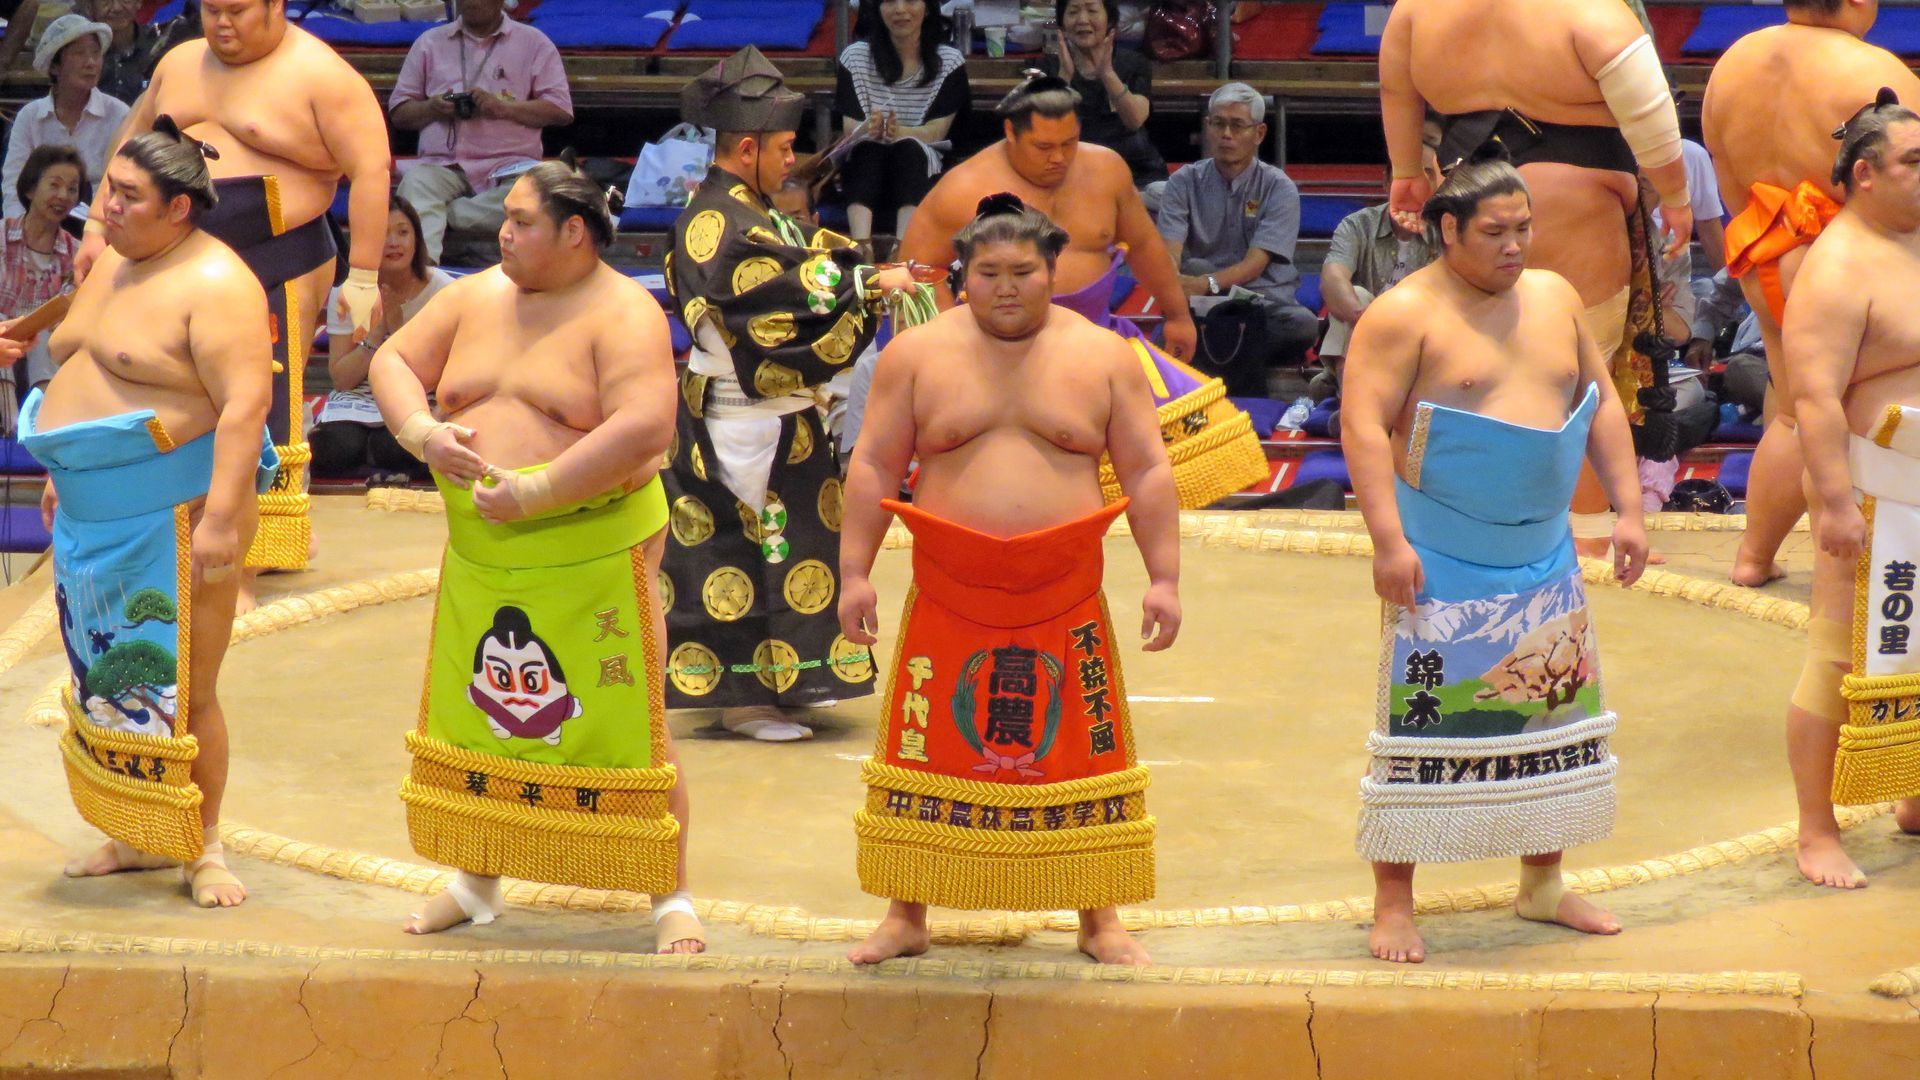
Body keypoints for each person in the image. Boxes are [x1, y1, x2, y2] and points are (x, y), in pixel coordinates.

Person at [367, 161, 703, 951]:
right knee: (485, 715)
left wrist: (539, 489)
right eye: (505, 220)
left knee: (631, 720)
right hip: (485, 546)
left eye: (521, 222)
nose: (502, 233)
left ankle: (670, 895)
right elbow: (390, 362)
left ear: (574, 232)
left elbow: (647, 426)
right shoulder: (474, 295)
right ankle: (476, 882)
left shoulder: (623, 312)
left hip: (594, 544)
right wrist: (421, 433)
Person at [839, 195, 1179, 966]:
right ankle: (906, 913)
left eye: (1023, 272)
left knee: (1085, 751)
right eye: (987, 272)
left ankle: (1100, 918)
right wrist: (854, 572)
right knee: (925, 748)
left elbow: (1148, 471)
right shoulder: (917, 354)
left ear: (1053, 273)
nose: (1004, 287)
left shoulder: (1104, 356)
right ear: (962, 275)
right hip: (950, 587)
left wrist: (1165, 579)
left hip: (1065, 589)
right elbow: (873, 466)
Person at [1341, 149, 1647, 964]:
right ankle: (1395, 902)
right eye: (1495, 232)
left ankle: (1543, 883)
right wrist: (1387, 540)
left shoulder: (1553, 296)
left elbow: (1601, 399)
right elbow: (1363, 427)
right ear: (1447, 230)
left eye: (1524, 228)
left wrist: (1629, 507)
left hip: (1543, 552)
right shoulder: (1404, 314)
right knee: (1422, 724)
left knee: (1548, 713)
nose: (1516, 246)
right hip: (1442, 554)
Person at [24, 122, 277, 910]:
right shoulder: (115, 263)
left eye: (128, 197)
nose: (107, 208)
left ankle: (205, 848)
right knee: (106, 676)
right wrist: (68, 470)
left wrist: (225, 520)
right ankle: (139, 834)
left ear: (178, 210)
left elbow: (246, 407)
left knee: (184, 685)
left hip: (173, 511)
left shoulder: (218, 283)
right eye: (109, 190)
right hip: (95, 511)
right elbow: (82, 355)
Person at [80, 0, 393, 606]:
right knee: (174, 390)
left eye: (239, 11)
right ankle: (181, 528)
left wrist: (365, 274)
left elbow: (372, 168)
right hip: (177, 251)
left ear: (276, 5)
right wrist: (97, 225)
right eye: (212, 10)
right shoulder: (179, 62)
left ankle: (246, 557)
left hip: (279, 252)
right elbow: (133, 142)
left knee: (253, 400)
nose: (223, 24)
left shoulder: (322, 75)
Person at [661, 48, 919, 742]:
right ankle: (743, 698)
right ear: (746, 148)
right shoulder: (717, 220)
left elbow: (805, 252)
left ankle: (790, 679)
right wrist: (867, 285)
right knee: (738, 550)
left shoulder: (749, 210)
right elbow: (767, 290)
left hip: (779, 418)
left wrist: (871, 267)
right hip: (740, 415)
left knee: (795, 542)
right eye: (780, 147)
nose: (788, 159)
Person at [1380, 0, 1689, 558]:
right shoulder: (1588, 10)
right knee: (1582, 361)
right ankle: (1589, 530)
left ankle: (1467, 520)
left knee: (1470, 362)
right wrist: (1677, 195)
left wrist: (1405, 169)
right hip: (1573, 197)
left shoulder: (1417, 10)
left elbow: (1397, 91)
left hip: (1468, 197)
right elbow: (1649, 110)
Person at [901, 77, 1268, 509]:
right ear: (1010, 134)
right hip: (999, 350)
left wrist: (1176, 313)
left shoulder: (1107, 169)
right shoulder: (963, 188)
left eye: (1069, 143)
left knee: (1180, 456)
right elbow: (914, 270)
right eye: (1043, 147)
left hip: (1099, 339)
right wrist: (952, 338)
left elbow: (1146, 245)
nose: (1059, 158)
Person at [1703, 0, 1920, 588]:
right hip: (1850, 267)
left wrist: (1770, 241)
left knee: (1796, 411)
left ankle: (1754, 556)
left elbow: (1726, 171)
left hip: (1763, 250)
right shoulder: (1876, 71)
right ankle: (1851, 576)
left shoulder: (1732, 63)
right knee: (1833, 413)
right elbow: (1906, 189)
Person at [1777, 95, 1920, 889]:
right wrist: (1832, 504)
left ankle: (1913, 795)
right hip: (1872, 492)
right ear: (1865, 175)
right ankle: (1815, 830)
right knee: (1837, 658)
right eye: (1914, 164)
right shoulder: (1837, 266)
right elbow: (1815, 400)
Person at [1157, 83, 1322, 382]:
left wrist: (1203, 284)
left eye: (1237, 125)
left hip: (1262, 304)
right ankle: (1231, 348)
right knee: (1159, 340)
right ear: (1208, 127)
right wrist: (1173, 285)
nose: (1226, 134)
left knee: (1303, 325)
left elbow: (1254, 265)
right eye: (1218, 124)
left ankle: (1216, 352)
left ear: (1259, 134)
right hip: (1204, 305)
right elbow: (1169, 252)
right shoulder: (1183, 181)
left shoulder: (1278, 187)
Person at [388, 0, 573, 264]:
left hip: (510, 167)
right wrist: (433, 107)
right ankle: (423, 278)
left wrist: (503, 108)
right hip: (444, 166)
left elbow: (560, 110)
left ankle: (448, 214)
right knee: (416, 185)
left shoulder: (534, 43)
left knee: (541, 197)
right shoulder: (429, 43)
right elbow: (399, 113)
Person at [311, 197, 452, 483]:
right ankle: (369, 448)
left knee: (399, 446)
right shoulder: (349, 291)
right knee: (334, 448)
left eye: (402, 232)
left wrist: (398, 331)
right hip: (358, 401)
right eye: (383, 233)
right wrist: (378, 331)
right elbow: (342, 379)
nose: (394, 242)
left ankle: (375, 450)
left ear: (417, 238)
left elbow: (439, 373)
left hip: (418, 394)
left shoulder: (445, 290)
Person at [833, 0, 969, 243]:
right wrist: (868, 129)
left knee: (909, 148)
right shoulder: (854, 57)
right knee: (866, 148)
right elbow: (849, 127)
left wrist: (897, 132)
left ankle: (903, 248)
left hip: (921, 166)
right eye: (889, 1)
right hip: (866, 164)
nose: (900, 9)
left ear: (927, 8)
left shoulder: (950, 61)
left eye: (910, 0)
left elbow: (936, 132)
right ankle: (861, 247)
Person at [1315, 169, 1439, 410]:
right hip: (1362, 329)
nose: (1416, 188)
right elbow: (1332, 278)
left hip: (1418, 331)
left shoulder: (1446, 230)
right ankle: (1351, 406)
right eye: (1406, 178)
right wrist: (1374, 324)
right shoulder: (1358, 224)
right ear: (1386, 183)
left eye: (1426, 178)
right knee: (1356, 294)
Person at [1, 14, 130, 219]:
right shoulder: (30, 117)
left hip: (97, 225)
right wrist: (18, 231)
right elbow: (12, 184)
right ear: (55, 66)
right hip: (36, 225)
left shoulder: (120, 115)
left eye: (96, 54)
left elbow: (123, 184)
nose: (91, 63)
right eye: (79, 54)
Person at [0, 145, 84, 432]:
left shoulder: (77, 252)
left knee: (48, 331)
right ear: (30, 190)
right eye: (55, 185)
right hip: (2, 350)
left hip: (45, 359)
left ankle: (42, 423)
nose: (64, 196)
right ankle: (8, 421)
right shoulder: (0, 236)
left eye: (72, 189)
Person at [1041, 0, 1163, 185]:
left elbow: (1135, 119)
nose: (1082, 20)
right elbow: (1042, 127)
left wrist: (1107, 73)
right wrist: (1064, 76)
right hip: (1072, 175)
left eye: (1092, 10)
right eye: (1073, 12)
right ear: (1062, 24)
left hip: (1135, 174)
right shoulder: (1049, 67)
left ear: (1110, 20)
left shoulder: (1133, 63)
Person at [80, 0, 170, 105]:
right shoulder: (78, 53)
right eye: (106, 1)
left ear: (139, 2)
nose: (117, 8)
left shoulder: (158, 46)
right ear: (89, 6)